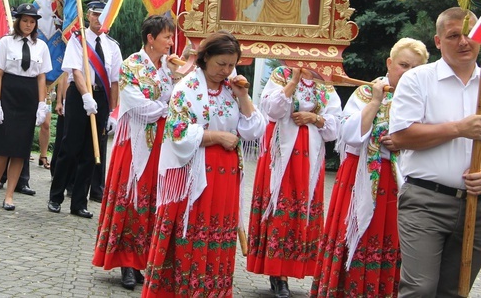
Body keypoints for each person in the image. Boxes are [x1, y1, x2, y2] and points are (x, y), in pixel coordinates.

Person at [142, 31, 266, 296]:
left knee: (218, 237)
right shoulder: (185, 89)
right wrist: (216, 136)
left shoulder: (232, 90)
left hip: (225, 178)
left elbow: (254, 130)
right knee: (192, 235)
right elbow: (176, 132)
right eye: (221, 63)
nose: (226, 70)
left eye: (232, 65)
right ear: (206, 57)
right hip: (193, 177)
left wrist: (243, 96)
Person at [311, 38, 429, 298]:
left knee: (393, 240)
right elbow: (349, 135)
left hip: (400, 181)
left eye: (415, 68)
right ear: (389, 63)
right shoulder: (366, 92)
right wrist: (375, 102)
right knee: (354, 234)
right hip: (359, 176)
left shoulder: (422, 99)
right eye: (403, 65)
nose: (408, 73)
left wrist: (402, 143)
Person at [389, 7, 481, 296]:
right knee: (421, 288)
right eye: (454, 35)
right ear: (438, 41)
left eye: (469, 34)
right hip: (426, 201)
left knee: (455, 290)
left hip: (476, 207)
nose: (464, 41)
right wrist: (458, 129)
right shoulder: (418, 80)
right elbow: (402, 135)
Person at [92, 15, 179, 290]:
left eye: (171, 36)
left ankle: (144, 260)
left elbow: (180, 96)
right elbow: (139, 105)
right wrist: (167, 109)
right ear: (150, 39)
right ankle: (127, 262)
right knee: (133, 199)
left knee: (154, 200)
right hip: (136, 144)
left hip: (162, 145)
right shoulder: (131, 65)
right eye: (166, 36)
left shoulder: (168, 67)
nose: (171, 42)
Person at [246, 65, 341, 298]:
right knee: (280, 208)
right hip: (280, 155)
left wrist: (315, 118)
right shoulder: (282, 74)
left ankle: (290, 269)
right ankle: (278, 275)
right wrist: (293, 82)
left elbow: (335, 127)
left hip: (309, 154)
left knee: (301, 211)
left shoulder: (324, 82)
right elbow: (271, 109)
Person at [48, 0, 122, 219]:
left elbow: (115, 81)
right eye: (95, 14)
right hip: (79, 96)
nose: (98, 19)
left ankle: (79, 202)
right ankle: (56, 196)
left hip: (101, 98)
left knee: (92, 153)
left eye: (102, 15)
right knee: (70, 147)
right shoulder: (77, 41)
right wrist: (86, 96)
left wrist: (112, 112)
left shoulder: (112, 46)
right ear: (88, 16)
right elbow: (76, 72)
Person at [0, 3, 52, 210]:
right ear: (18, 21)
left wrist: (42, 104)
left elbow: (42, 78)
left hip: (28, 96)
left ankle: (10, 194)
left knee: (20, 149)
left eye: (32, 22)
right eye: (25, 20)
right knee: (2, 146)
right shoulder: (6, 42)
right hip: (8, 93)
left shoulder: (41, 46)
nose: (28, 25)